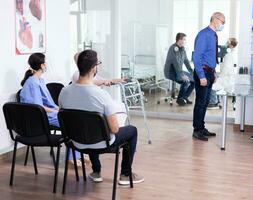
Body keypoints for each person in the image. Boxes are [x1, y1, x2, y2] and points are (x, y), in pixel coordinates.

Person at [58, 50, 144, 185]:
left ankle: (96, 171)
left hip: (76, 142)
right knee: (132, 131)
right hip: (102, 144)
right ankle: (125, 175)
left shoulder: (64, 92)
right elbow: (115, 129)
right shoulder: (101, 95)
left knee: (87, 126)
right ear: (94, 68)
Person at [20, 53, 82, 165]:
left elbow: (47, 103)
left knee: (75, 119)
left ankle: (77, 154)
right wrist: (57, 111)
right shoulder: (32, 83)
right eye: (46, 63)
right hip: (41, 118)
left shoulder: (40, 81)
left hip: (48, 114)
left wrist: (60, 109)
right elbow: (38, 108)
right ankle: (72, 158)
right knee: (72, 123)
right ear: (42, 65)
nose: (47, 65)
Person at [192, 12, 225, 141]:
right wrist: (201, 76)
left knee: (205, 102)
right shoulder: (204, 34)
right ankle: (197, 129)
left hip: (209, 72)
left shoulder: (213, 35)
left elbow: (210, 56)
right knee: (200, 102)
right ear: (215, 19)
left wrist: (214, 72)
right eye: (223, 21)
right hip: (203, 72)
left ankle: (201, 127)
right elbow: (197, 57)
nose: (223, 24)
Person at [164, 33, 194, 106]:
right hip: (170, 72)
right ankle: (180, 99)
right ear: (179, 40)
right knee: (185, 81)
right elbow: (176, 64)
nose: (185, 41)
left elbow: (186, 62)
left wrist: (193, 73)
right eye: (184, 39)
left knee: (194, 80)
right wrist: (182, 75)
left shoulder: (183, 49)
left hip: (178, 71)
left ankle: (184, 97)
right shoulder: (173, 48)